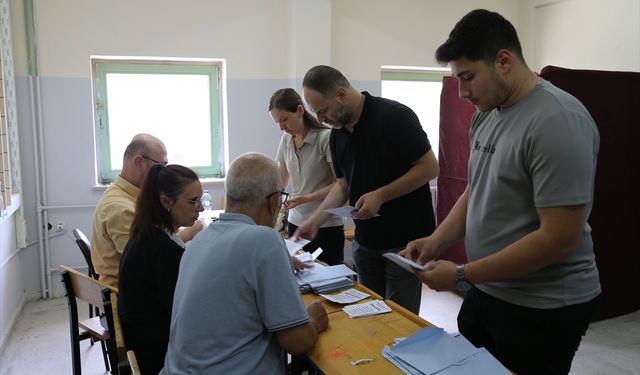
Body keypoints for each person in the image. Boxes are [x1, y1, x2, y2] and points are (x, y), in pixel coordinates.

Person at [401, 9, 601, 375]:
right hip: (489, 289)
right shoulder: (486, 114)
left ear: (504, 61)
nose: (462, 92)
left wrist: (462, 274)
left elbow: (559, 238)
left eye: (468, 78)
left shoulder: (557, 120)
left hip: (542, 305)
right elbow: (476, 190)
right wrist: (436, 240)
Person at [161, 153, 328, 374]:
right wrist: (313, 322)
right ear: (273, 201)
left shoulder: (200, 240)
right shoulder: (265, 240)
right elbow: (296, 342)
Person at [297, 65, 439, 314]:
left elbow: (429, 167)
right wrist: (316, 219)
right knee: (369, 315)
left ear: (341, 93)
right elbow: (342, 184)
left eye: (323, 111)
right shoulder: (337, 135)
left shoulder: (394, 117)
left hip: (404, 242)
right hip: (366, 244)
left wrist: (381, 195)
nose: (321, 120)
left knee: (399, 320)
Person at [118, 164, 203, 374]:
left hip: (144, 343)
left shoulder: (146, 235)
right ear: (165, 201)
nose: (200, 208)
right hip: (157, 356)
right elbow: (185, 314)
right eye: (193, 201)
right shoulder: (162, 250)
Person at [91, 133, 202, 288]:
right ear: (139, 162)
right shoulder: (120, 208)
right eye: (161, 166)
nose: (164, 172)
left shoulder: (128, 196)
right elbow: (147, 259)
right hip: (128, 296)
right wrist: (189, 233)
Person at [269, 88, 345, 265]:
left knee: (328, 280)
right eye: (277, 122)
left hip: (326, 223)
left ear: (300, 111)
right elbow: (282, 177)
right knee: (300, 278)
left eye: (284, 120)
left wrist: (307, 198)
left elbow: (340, 184)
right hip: (295, 220)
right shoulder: (286, 139)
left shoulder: (325, 138)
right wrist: (270, 198)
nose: (281, 127)